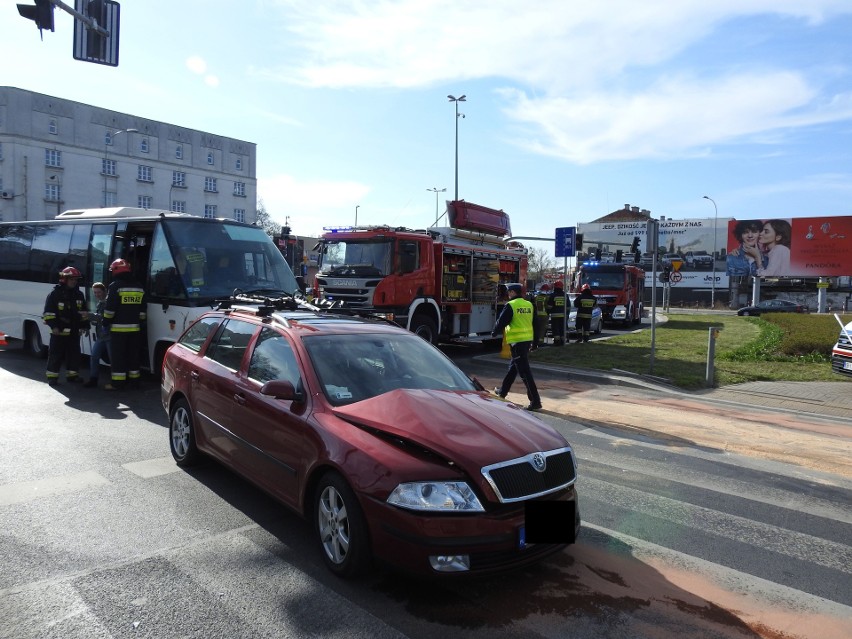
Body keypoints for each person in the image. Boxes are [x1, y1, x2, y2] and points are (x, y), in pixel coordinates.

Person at [491, 283, 542, 411]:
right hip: (525, 342)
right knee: (513, 368)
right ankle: (502, 392)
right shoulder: (529, 305)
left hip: (517, 343)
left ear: (513, 292)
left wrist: (494, 332)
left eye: (509, 292)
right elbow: (536, 325)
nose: (508, 295)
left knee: (525, 373)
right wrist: (535, 342)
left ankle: (535, 401)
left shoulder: (511, 306)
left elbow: (501, 321)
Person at [103, 259, 147, 390]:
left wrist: (105, 321)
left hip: (118, 330)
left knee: (118, 357)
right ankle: (135, 382)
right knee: (133, 356)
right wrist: (139, 322)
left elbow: (110, 309)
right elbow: (142, 310)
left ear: (116, 271)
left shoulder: (115, 286)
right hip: (135, 329)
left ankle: (118, 383)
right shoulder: (139, 286)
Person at [42, 266, 89, 386]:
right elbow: (48, 313)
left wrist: (84, 326)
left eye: (76, 279)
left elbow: (83, 312)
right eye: (72, 279)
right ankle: (52, 377)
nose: (74, 281)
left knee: (74, 354)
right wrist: (54, 327)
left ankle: (72, 375)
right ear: (64, 279)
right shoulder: (54, 294)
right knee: (55, 354)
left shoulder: (79, 294)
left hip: (74, 331)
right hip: (59, 331)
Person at [83, 282, 111, 388]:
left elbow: (104, 317)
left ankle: (115, 381)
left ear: (104, 291)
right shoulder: (100, 303)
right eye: (95, 293)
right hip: (101, 336)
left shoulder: (108, 302)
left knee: (113, 359)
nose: (96, 295)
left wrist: (90, 315)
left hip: (109, 336)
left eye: (98, 292)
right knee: (94, 356)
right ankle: (93, 379)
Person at [546, 280, 566, 345]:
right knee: (562, 328)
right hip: (563, 315)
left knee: (555, 328)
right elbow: (568, 306)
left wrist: (548, 312)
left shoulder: (552, 295)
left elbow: (549, 306)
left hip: (554, 315)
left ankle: (557, 342)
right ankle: (563, 341)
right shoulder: (565, 295)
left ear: (555, 287)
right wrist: (567, 314)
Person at [533, 283, 551, 348]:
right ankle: (540, 342)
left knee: (537, 329)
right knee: (542, 329)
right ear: (546, 290)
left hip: (537, 315)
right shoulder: (547, 298)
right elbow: (548, 307)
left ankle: (535, 342)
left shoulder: (536, 297)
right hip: (544, 315)